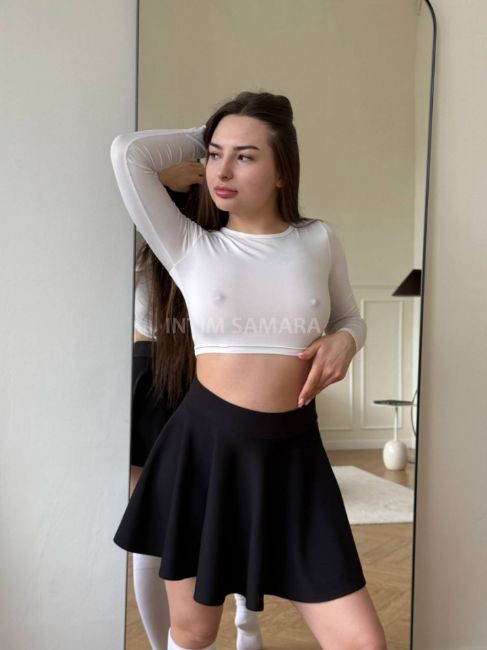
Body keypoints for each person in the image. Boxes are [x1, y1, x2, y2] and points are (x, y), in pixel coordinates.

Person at [110, 90, 387, 650]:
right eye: (215, 155)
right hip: (203, 453)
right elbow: (128, 154)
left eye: (245, 156)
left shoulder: (318, 239)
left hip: (295, 458)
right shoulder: (189, 244)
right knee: (194, 632)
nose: (222, 170)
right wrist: (214, 130)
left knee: (362, 642)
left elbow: (350, 317)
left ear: (282, 169)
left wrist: (346, 341)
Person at [130, 171, 263, 650]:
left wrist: (181, 165)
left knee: (160, 527)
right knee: (230, 509)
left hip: (180, 374)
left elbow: (132, 158)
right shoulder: (219, 247)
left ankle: (230, 622)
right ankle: (245, 619)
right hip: (174, 375)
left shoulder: (160, 244)